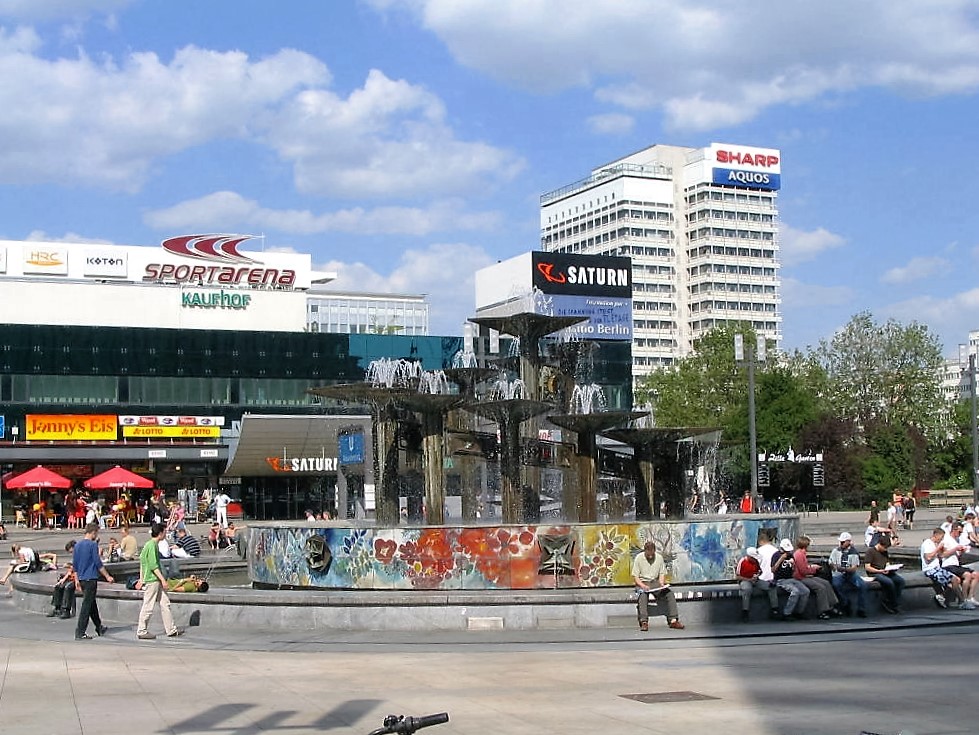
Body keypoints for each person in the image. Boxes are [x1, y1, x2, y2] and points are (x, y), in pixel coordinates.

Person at [136, 523, 183, 640]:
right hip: (153, 580)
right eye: (165, 531)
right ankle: (141, 630)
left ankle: (171, 630)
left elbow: (142, 561)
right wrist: (163, 580)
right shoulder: (152, 545)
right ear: (160, 533)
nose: (166, 534)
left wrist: (141, 578)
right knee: (148, 605)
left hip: (153, 579)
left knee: (165, 603)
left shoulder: (148, 545)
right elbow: (153, 565)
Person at [72, 522, 114, 640]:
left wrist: (76, 580)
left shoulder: (77, 545)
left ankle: (99, 627)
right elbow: (98, 563)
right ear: (93, 532)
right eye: (97, 533)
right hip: (91, 578)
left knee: (91, 604)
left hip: (82, 578)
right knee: (86, 606)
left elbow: (74, 565)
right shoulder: (92, 545)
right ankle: (80, 632)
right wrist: (107, 576)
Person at [631, 540, 684, 631]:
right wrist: (643, 586)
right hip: (643, 582)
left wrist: (661, 584)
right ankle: (644, 621)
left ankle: (673, 620)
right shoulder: (639, 558)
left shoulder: (659, 558)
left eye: (652, 554)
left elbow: (662, 573)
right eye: (648, 554)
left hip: (655, 582)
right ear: (645, 551)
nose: (650, 556)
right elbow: (636, 577)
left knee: (669, 594)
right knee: (643, 595)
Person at [792, 536, 841, 620]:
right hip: (800, 578)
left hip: (806, 576)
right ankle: (822, 611)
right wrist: (814, 569)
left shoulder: (802, 553)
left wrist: (811, 567)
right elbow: (803, 571)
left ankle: (832, 605)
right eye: (808, 545)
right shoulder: (799, 554)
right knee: (820, 588)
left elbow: (804, 567)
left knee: (826, 583)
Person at [921, 527, 964, 609]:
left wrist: (943, 551)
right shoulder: (927, 543)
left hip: (937, 568)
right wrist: (938, 548)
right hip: (930, 569)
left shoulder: (935, 544)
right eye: (941, 537)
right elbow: (928, 558)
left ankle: (941, 596)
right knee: (953, 581)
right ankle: (962, 601)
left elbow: (940, 556)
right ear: (936, 535)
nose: (941, 540)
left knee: (956, 580)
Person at [736, 545, 780, 622]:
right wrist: (749, 579)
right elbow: (738, 577)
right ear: (749, 557)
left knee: (771, 587)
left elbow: (760, 571)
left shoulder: (756, 561)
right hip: (745, 580)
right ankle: (745, 611)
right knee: (747, 590)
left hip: (755, 579)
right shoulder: (742, 562)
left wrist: (757, 575)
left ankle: (775, 610)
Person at [829, 532, 868, 617]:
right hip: (838, 574)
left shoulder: (853, 552)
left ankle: (861, 609)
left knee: (862, 585)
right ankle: (845, 601)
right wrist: (833, 566)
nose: (841, 544)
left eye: (843, 542)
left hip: (850, 574)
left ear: (849, 542)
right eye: (841, 542)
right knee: (836, 584)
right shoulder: (835, 551)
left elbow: (854, 568)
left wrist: (843, 569)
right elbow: (831, 562)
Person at [865, 534, 905, 614]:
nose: (885, 549)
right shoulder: (870, 551)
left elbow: (887, 563)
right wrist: (879, 571)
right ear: (880, 544)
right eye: (884, 547)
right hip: (875, 573)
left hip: (884, 571)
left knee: (900, 581)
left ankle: (896, 601)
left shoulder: (884, 552)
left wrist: (890, 568)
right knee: (889, 582)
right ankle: (890, 602)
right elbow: (867, 567)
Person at [772, 538, 810, 620]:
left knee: (805, 591)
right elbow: (773, 570)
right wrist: (781, 559)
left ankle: (799, 612)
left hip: (791, 578)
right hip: (781, 580)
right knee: (795, 591)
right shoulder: (776, 555)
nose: (788, 553)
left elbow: (794, 568)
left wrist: (793, 564)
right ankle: (787, 613)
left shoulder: (790, 555)